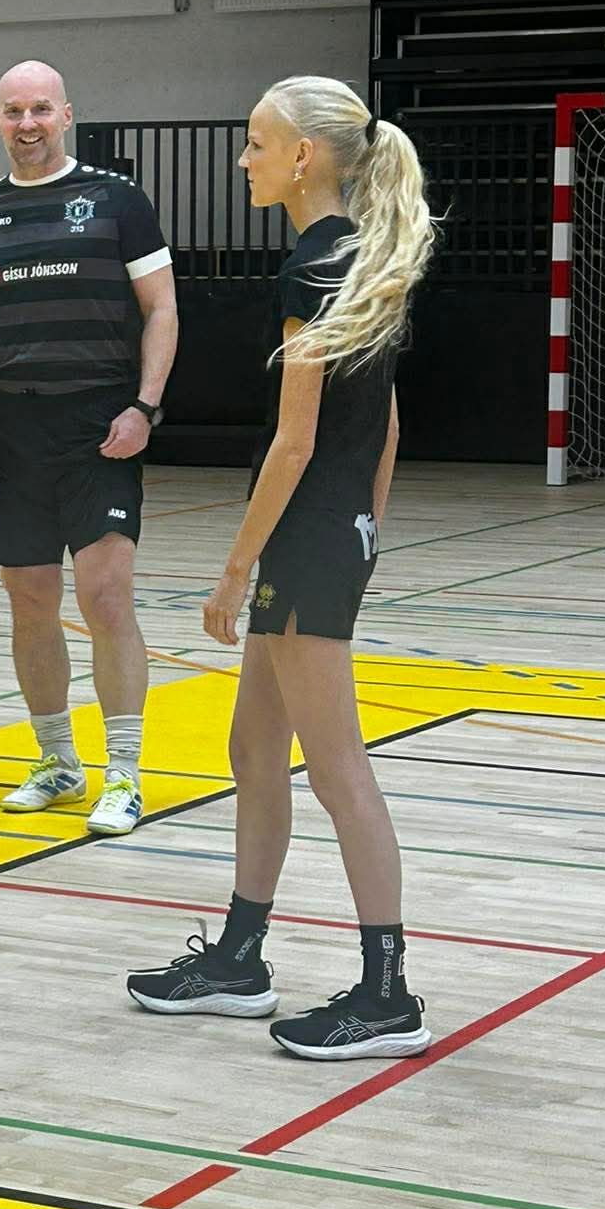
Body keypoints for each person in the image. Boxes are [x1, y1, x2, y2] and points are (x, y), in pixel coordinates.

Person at [126, 75, 436, 1060]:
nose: (244, 159)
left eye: (256, 143)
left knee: (339, 770)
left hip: (304, 542)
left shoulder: (312, 267)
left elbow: (293, 442)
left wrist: (234, 571)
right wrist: (365, 530)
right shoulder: (365, 255)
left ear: (303, 156)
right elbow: (387, 427)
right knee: (254, 749)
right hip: (332, 535)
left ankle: (387, 994)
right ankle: (239, 958)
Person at [0, 61, 177, 837]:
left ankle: (124, 774)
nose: (28, 124)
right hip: (11, 427)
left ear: (66, 115)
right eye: (14, 111)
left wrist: (144, 406)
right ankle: (58, 762)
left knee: (105, 596)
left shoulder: (118, 201)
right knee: (29, 598)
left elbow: (162, 309)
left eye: (41, 110)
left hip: (99, 425)